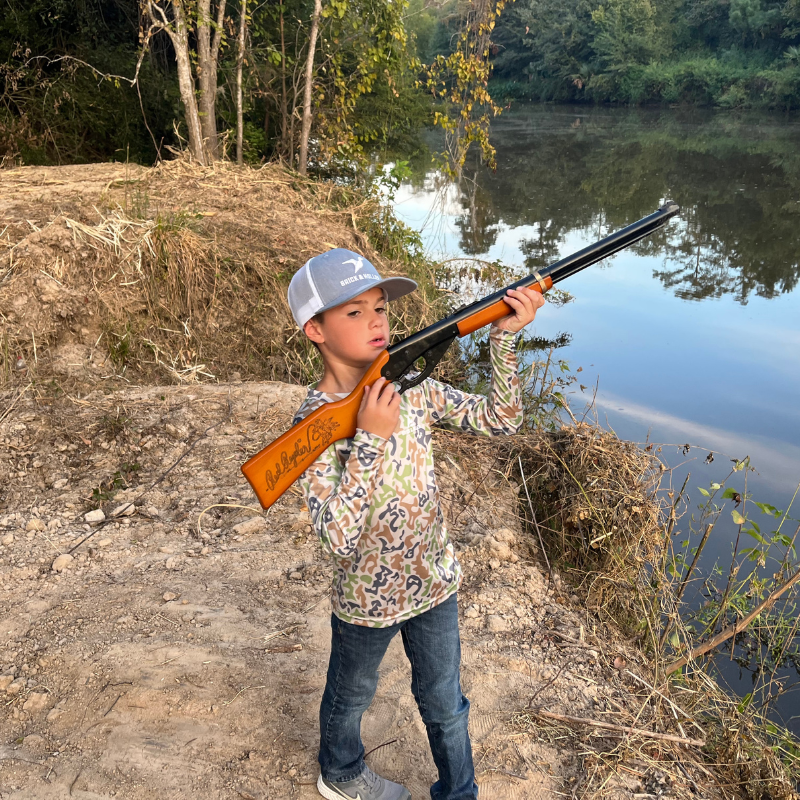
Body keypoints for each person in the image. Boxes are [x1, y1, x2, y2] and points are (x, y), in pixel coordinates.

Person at [287, 249, 545, 800]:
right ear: (315, 329)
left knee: (446, 705)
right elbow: (337, 538)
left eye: (380, 307)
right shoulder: (314, 424)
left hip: (434, 583)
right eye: (353, 312)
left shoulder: (415, 388)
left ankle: (458, 792)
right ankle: (340, 773)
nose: (377, 320)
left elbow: (501, 421)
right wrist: (372, 437)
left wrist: (503, 339)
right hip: (366, 601)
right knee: (350, 696)